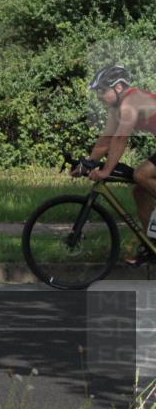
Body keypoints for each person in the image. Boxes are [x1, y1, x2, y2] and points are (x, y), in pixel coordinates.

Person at [79, 65, 156, 265]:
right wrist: (86, 165)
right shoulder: (117, 110)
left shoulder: (131, 101)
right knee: (140, 192)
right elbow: (105, 142)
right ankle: (152, 245)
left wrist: (105, 171)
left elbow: (121, 139)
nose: (99, 96)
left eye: (102, 91)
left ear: (119, 87)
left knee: (141, 175)